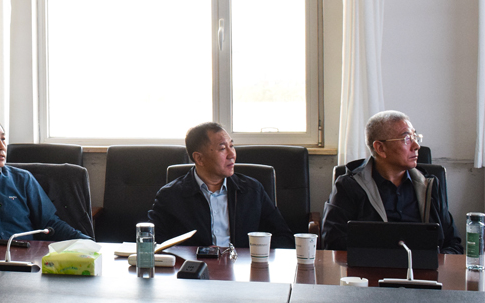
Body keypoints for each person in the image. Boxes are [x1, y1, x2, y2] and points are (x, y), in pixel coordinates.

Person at [322, 110, 461, 253]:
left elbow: (454, 244)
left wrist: (434, 262)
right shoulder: (349, 186)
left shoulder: (429, 185)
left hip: (424, 266)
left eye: (415, 137)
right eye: (406, 139)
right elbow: (333, 243)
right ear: (380, 148)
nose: (416, 146)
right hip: (371, 265)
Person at [147, 122, 293, 248]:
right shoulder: (171, 196)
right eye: (223, 148)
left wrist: (254, 256)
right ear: (199, 158)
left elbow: (283, 237)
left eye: (232, 146)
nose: (232, 154)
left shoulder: (252, 190)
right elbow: (154, 242)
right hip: (195, 269)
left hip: (243, 268)